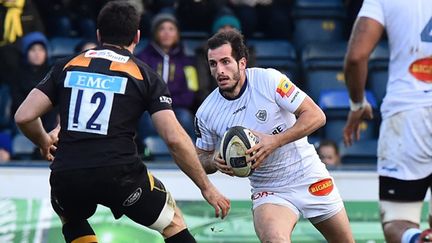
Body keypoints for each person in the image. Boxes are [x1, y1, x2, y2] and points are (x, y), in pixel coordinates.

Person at [14, 2, 230, 243]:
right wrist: (206, 187)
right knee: (173, 224)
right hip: (120, 175)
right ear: (137, 36)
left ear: (98, 35)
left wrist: (44, 141)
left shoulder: (67, 65)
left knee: (72, 217)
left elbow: (24, 116)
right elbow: (174, 138)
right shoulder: (143, 74)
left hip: (68, 173)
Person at [194, 30, 354, 243]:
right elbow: (200, 159)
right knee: (274, 239)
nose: (220, 70)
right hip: (269, 189)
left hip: (308, 174)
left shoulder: (269, 80)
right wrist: (213, 159)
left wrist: (274, 142)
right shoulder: (206, 112)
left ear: (242, 63)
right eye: (213, 64)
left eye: (226, 62)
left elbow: (316, 116)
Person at [343, 0, 432, 242]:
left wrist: (357, 104)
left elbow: (356, 57)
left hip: (408, 117)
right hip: (408, 116)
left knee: (397, 222)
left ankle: (415, 239)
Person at [137, 13, 198, 139]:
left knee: (186, 118)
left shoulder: (186, 60)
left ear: (177, 33)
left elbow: (192, 90)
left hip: (178, 108)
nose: (166, 33)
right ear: (155, 33)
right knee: (146, 121)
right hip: (150, 108)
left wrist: (169, 103)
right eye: (162, 29)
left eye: (171, 29)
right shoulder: (143, 58)